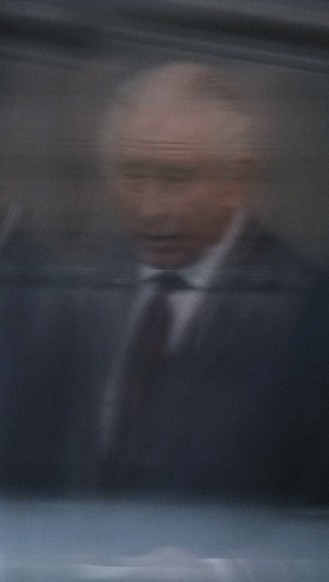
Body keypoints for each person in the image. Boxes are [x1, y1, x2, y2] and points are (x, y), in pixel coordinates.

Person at [73, 61, 329, 501]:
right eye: (133, 176)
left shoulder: (307, 312)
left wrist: (221, 569)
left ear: (237, 179)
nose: (150, 208)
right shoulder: (89, 290)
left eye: (176, 179)